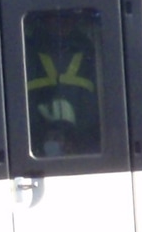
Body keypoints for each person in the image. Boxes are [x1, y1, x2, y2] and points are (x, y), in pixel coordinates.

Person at [25, 11, 100, 155]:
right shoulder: (26, 53)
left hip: (86, 148)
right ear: (45, 21)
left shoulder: (90, 53)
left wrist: (79, 140)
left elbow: (97, 107)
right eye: (54, 18)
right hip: (32, 146)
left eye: (67, 19)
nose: (61, 24)